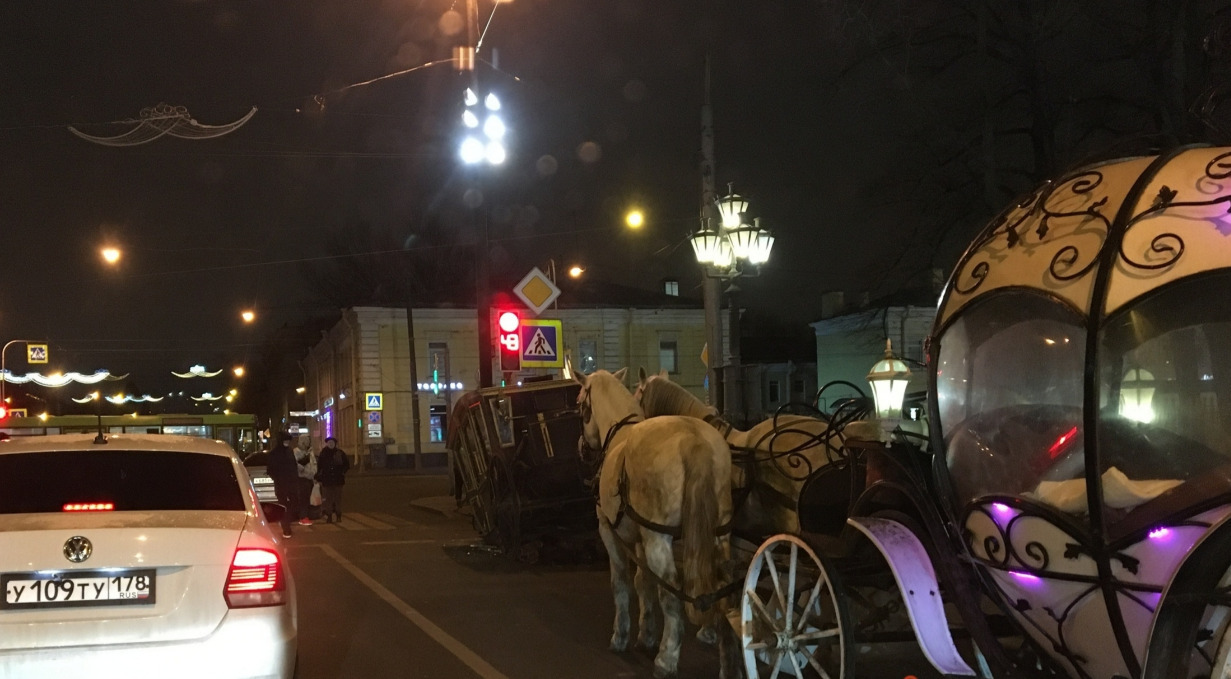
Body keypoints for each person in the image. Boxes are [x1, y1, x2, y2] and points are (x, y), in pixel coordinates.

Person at [266, 432, 299, 539]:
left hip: (291, 485)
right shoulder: (274, 454)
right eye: (285, 441)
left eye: (288, 441)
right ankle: (286, 528)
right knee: (284, 506)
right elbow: (271, 470)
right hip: (281, 485)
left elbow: (293, 467)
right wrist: (278, 479)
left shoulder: (289, 451)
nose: (287, 443)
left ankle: (285, 523)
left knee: (292, 505)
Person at [315, 437, 351, 523]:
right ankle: (329, 516)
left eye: (332, 443)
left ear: (335, 444)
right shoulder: (323, 453)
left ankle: (338, 516)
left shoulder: (340, 453)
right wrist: (318, 476)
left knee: (338, 498)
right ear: (327, 444)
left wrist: (342, 472)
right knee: (328, 499)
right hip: (327, 480)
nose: (331, 444)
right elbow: (319, 466)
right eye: (329, 442)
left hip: (338, 480)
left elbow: (346, 464)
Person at [294, 435, 317, 525]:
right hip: (302, 479)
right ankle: (303, 517)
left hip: (309, 478)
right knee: (303, 498)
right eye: (306, 440)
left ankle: (306, 515)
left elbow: (313, 464)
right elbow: (295, 465)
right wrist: (302, 468)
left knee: (308, 499)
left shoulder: (310, 452)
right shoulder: (296, 452)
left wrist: (314, 474)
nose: (308, 442)